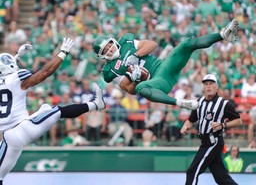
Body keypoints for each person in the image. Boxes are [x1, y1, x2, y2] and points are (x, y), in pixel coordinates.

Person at [0, 38, 106, 185]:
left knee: (46, 108)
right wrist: (62, 53)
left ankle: (95, 104)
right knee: (57, 111)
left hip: (8, 137)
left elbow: (6, 76)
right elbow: (45, 72)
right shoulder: (16, 78)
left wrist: (16, 57)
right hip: (22, 129)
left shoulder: (6, 80)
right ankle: (95, 104)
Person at [92, 19, 239, 111]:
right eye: (105, 50)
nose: (110, 49)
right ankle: (180, 102)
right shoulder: (110, 71)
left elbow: (152, 44)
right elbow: (130, 89)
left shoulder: (126, 42)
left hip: (165, 67)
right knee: (141, 87)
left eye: (109, 45)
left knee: (186, 44)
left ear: (113, 41)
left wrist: (135, 55)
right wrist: (134, 77)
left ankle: (223, 35)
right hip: (158, 81)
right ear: (102, 55)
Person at [180, 74, 242, 185]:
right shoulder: (199, 102)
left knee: (192, 172)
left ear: (217, 86)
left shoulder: (224, 104)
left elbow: (239, 121)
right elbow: (191, 119)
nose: (208, 86)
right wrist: (185, 126)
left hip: (213, 142)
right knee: (221, 178)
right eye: (206, 84)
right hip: (205, 142)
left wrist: (223, 125)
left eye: (211, 84)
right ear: (203, 87)